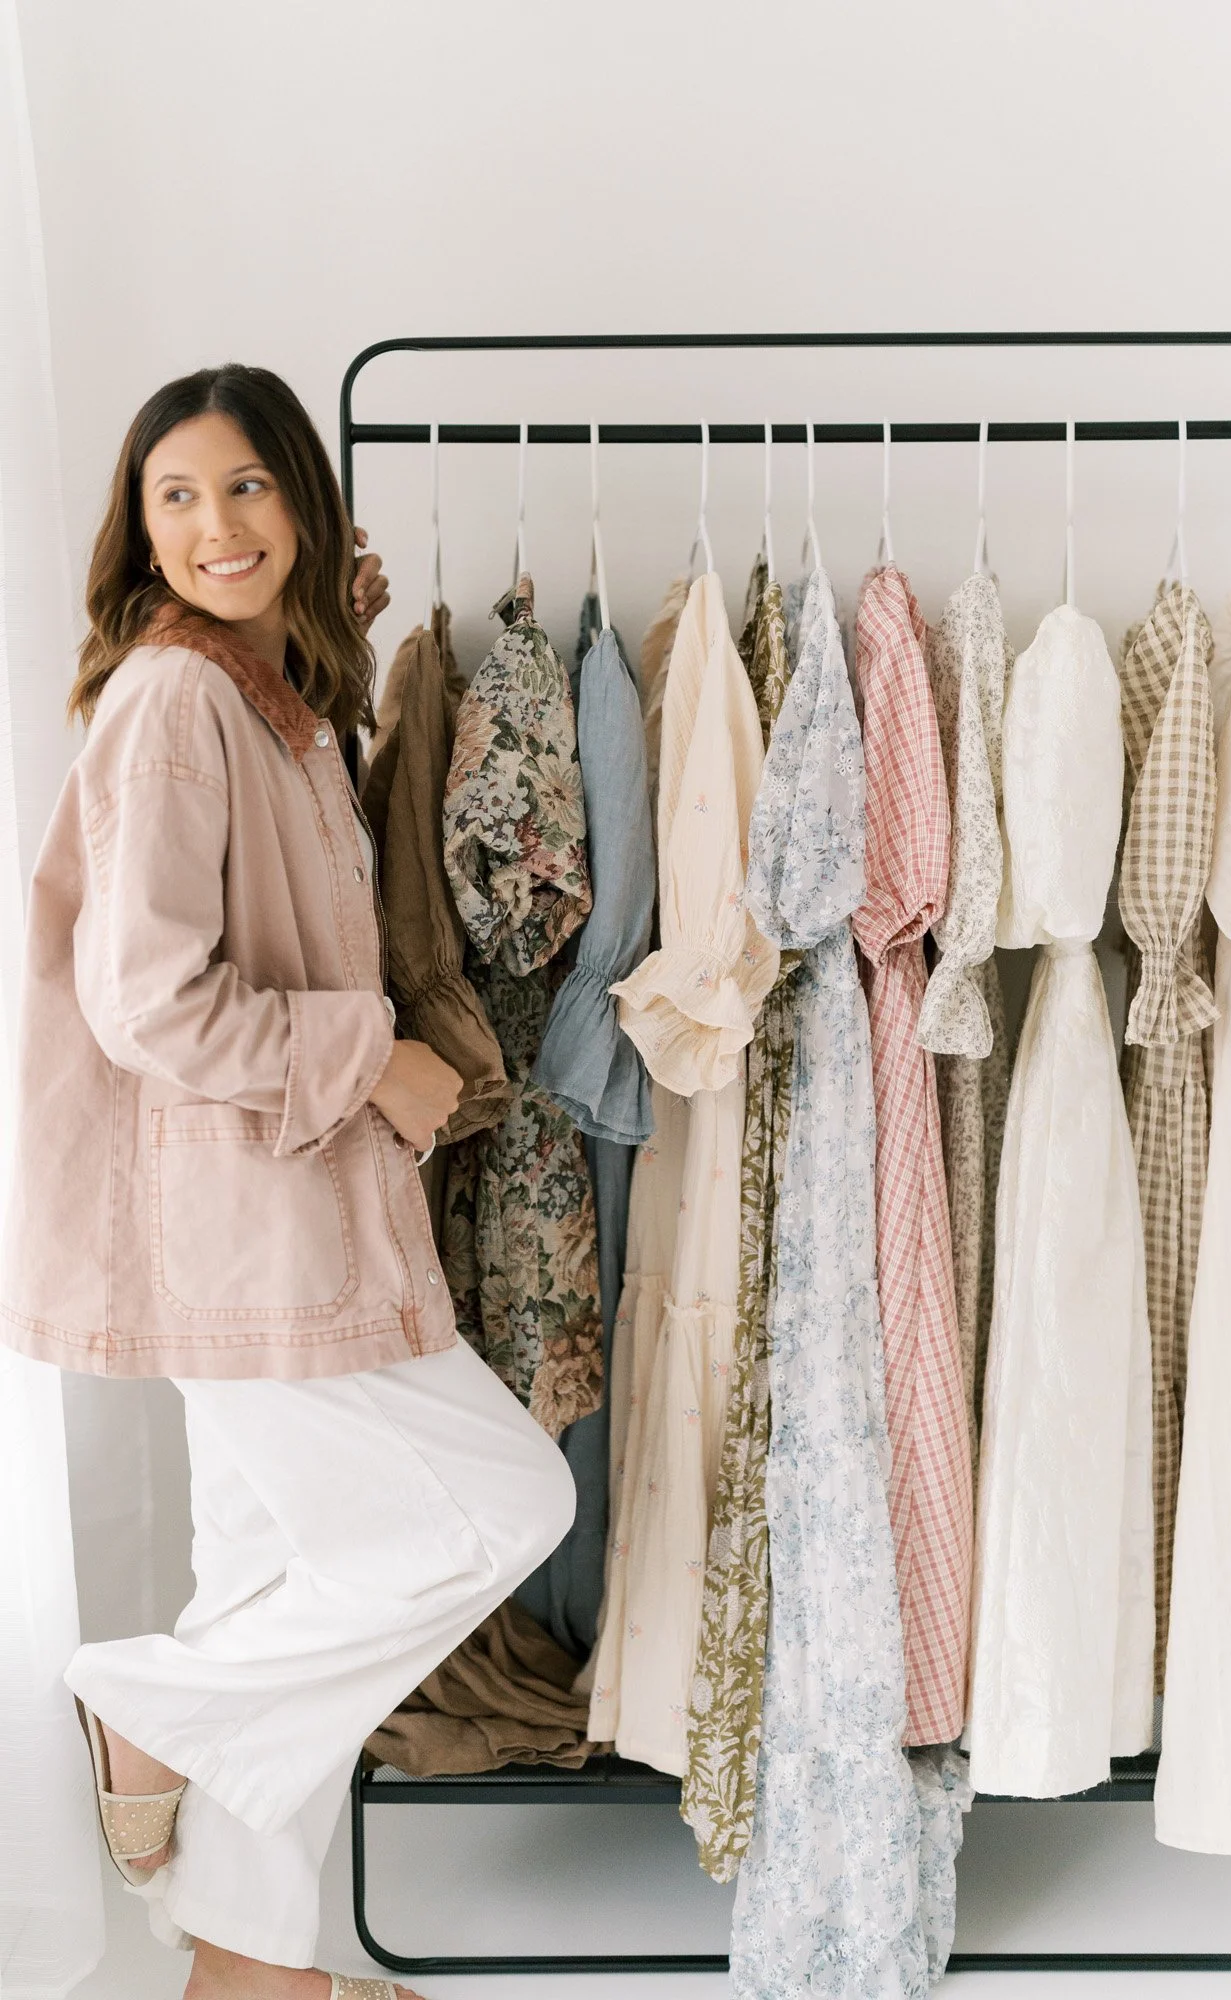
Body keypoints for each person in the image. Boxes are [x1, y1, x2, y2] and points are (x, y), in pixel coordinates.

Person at [0, 364, 576, 2000]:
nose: (214, 525)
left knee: (274, 1576)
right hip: (251, 1232)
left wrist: (323, 625)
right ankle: (156, 1708)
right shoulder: (179, 705)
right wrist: (368, 1059)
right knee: (509, 1502)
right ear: (139, 529)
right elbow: (150, 997)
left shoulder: (267, 701)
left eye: (248, 489)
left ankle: (252, 1979)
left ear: (307, 508)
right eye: (177, 498)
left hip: (275, 1220)